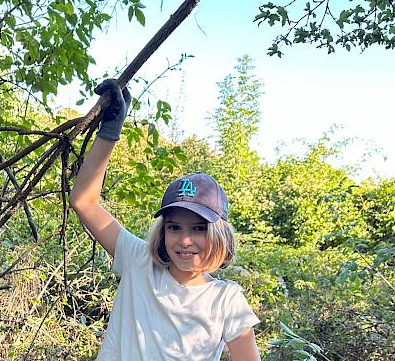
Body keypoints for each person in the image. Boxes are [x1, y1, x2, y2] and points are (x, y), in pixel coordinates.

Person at [69, 79, 261, 360]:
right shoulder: (139, 261)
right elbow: (84, 202)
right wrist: (110, 130)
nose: (185, 240)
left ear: (220, 235)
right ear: (163, 231)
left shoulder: (226, 301)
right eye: (174, 227)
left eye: (199, 228)